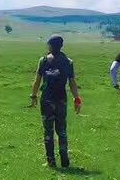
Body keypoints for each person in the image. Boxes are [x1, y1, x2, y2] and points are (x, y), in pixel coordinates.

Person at [29, 35, 81, 167]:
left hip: (47, 99)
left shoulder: (44, 60)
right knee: (62, 130)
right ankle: (65, 160)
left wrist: (34, 96)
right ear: (61, 46)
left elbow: (37, 80)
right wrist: (77, 99)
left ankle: (51, 161)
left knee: (48, 131)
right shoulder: (68, 62)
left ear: (50, 46)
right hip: (61, 99)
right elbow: (72, 82)